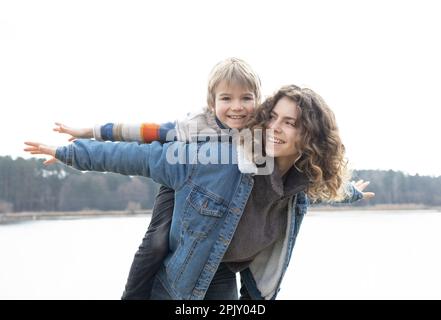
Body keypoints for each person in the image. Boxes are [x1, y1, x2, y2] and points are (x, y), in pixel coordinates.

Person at [24, 84, 374, 300]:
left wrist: (353, 193)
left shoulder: (301, 185)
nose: (274, 128)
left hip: (228, 276)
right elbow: (138, 156)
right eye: (273, 117)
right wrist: (70, 152)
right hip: (183, 281)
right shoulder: (218, 157)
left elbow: (328, 188)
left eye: (290, 122)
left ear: (309, 136)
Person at [49, 57, 263, 300]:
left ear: (258, 100)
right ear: (212, 103)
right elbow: (138, 133)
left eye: (246, 98)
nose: (237, 106)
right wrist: (89, 133)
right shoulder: (193, 126)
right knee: (158, 241)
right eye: (226, 98)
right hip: (178, 180)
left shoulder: (258, 132)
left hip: (213, 200)